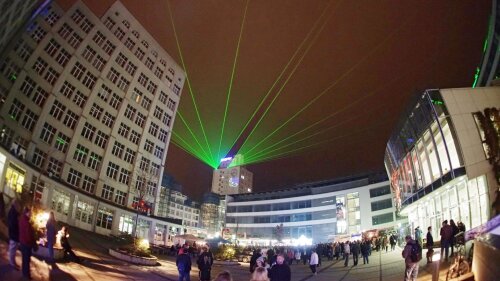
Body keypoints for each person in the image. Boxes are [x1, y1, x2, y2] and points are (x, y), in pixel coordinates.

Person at [19, 207, 36, 280]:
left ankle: (24, 273)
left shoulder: (22, 220)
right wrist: (32, 243)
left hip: (22, 243)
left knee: (24, 259)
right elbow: (28, 236)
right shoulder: (27, 223)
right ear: (26, 213)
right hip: (26, 244)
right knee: (26, 260)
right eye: (30, 213)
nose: (31, 214)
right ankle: (27, 275)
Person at [7, 199, 21, 269]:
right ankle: (12, 263)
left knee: (13, 249)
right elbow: (12, 224)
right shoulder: (13, 213)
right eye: (18, 205)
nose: (19, 207)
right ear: (16, 205)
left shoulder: (14, 212)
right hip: (14, 234)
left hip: (14, 234)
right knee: (12, 249)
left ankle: (12, 262)